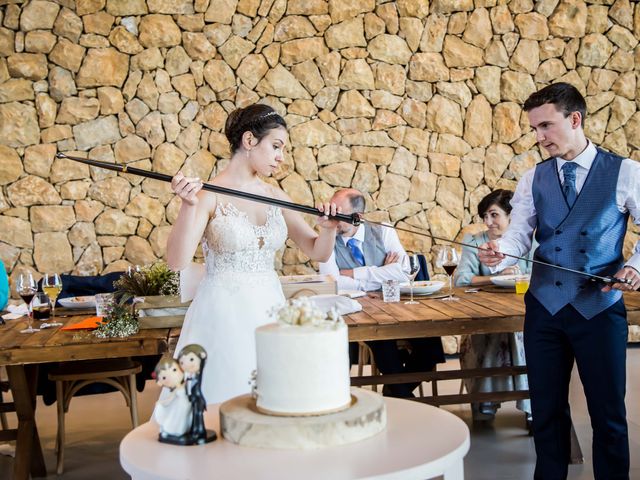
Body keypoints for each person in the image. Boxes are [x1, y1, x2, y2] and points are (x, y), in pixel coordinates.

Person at [479, 82, 640, 480]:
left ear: (574, 119)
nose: (539, 137)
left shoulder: (626, 172)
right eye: (534, 129)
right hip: (544, 309)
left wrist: (635, 267)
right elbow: (519, 234)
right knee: (546, 410)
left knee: (608, 415)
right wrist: (502, 252)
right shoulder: (533, 177)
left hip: (598, 309)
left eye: (546, 126)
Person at [166, 104, 339, 405]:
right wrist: (187, 205)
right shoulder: (208, 194)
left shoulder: (275, 196)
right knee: (223, 400)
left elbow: (317, 250)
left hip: (269, 308)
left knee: (275, 399)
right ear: (249, 141)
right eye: (276, 146)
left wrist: (329, 228)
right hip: (222, 314)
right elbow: (177, 262)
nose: (281, 157)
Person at [319, 188, 445, 398]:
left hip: (399, 307)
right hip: (360, 311)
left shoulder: (383, 231)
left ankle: (395, 390)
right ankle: (403, 396)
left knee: (430, 344)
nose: (332, 218)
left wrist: (356, 274)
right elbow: (332, 283)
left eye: (337, 214)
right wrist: (382, 275)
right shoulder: (326, 239)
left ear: (357, 217)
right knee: (383, 341)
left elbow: (404, 272)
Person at [454, 189, 532, 424]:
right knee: (495, 330)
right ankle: (485, 402)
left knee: (521, 331)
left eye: (494, 215)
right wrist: (496, 276)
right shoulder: (475, 242)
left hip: (525, 307)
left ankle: (532, 406)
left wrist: (517, 276)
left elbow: (538, 274)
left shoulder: (531, 241)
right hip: (484, 309)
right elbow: (461, 279)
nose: (488, 222)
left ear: (511, 216)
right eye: (485, 216)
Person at [152, 356, 192, 440]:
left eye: (174, 370)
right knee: (176, 416)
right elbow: (171, 398)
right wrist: (163, 403)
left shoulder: (183, 385)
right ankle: (177, 430)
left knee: (178, 417)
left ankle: (178, 429)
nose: (172, 376)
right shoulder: (178, 389)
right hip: (181, 405)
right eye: (164, 377)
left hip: (184, 405)